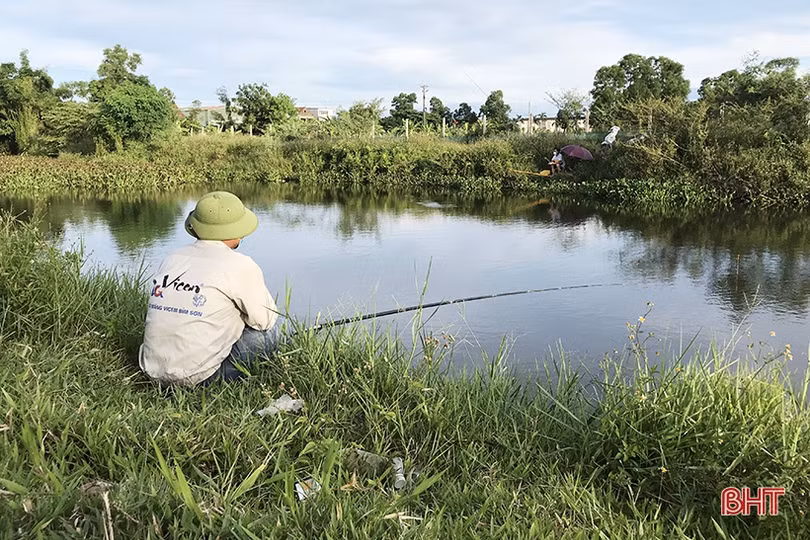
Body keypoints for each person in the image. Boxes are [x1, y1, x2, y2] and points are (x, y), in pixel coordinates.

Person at [139, 191, 280, 386]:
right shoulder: (240, 265)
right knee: (269, 333)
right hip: (201, 379)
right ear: (237, 231)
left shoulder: (172, 258)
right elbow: (265, 321)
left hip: (152, 371)